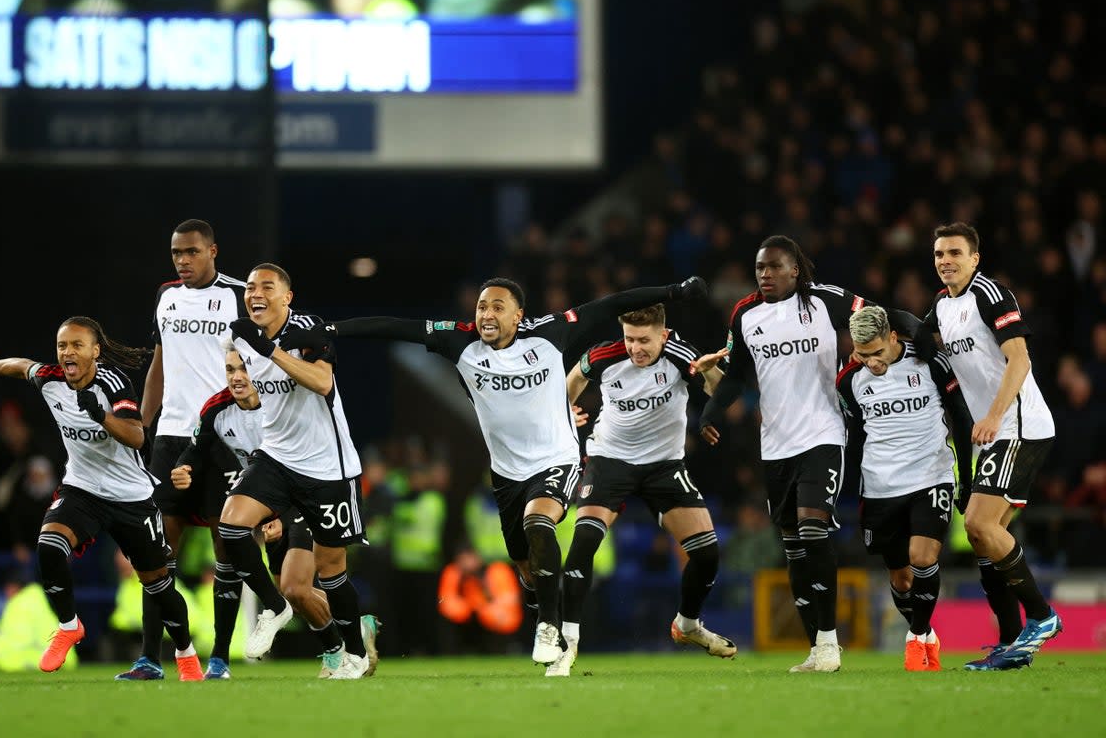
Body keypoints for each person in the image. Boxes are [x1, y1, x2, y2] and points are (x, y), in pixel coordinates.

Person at [298, 274, 708, 667]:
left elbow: (610, 305)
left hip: (556, 458)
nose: (486, 314)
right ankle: (540, 618)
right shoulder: (459, 341)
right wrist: (331, 330)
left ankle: (549, 626)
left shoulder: (550, 333)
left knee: (539, 522)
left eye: (498, 306)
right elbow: (394, 326)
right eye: (481, 306)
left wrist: (673, 291)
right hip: (507, 472)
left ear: (518, 315)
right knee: (526, 568)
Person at [697, 234, 916, 673]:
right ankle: (816, 646)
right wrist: (709, 413)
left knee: (814, 531)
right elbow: (738, 375)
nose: (765, 274)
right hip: (776, 445)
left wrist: (923, 337)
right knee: (793, 546)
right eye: (760, 267)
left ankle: (832, 643)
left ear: (795, 269)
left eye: (774, 267)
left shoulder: (825, 301)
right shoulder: (745, 314)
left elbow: (879, 317)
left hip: (824, 434)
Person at [0, 316, 203, 680]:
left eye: (77, 345)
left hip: (131, 496)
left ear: (95, 351)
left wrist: (101, 416)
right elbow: (23, 367)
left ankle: (186, 654)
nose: (68, 352)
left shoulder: (112, 383)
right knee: (49, 545)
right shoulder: (51, 379)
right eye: (62, 345)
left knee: (158, 585)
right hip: (83, 489)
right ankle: (68, 626)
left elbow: (137, 436)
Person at [554, 304, 736, 677]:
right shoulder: (603, 356)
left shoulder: (680, 355)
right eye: (630, 339)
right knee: (582, 544)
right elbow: (569, 385)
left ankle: (687, 624)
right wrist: (565, 411)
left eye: (644, 341)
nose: (636, 348)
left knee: (707, 555)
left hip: (664, 465)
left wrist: (711, 374)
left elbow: (724, 395)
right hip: (609, 461)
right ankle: (567, 644)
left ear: (664, 335)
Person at [176, 343, 378, 678]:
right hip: (271, 501)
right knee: (291, 591)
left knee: (295, 588)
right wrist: (184, 468)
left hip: (307, 496)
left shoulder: (282, 399)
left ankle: (337, 650)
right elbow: (195, 449)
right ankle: (353, 631)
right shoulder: (216, 410)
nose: (238, 377)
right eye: (230, 370)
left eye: (244, 369)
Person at [217, 263, 373, 680]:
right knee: (231, 527)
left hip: (328, 468)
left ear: (287, 297)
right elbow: (241, 374)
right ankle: (272, 606)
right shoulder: (241, 335)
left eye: (267, 287)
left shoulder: (308, 329)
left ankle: (355, 654)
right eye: (250, 287)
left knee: (330, 571)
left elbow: (322, 383)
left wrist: (270, 351)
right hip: (278, 459)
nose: (256, 294)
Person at [918, 222, 1060, 670]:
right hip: (992, 434)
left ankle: (1042, 616)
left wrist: (996, 415)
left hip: (1019, 424)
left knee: (980, 524)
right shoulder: (942, 306)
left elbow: (1019, 358)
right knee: (984, 540)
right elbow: (916, 341)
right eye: (940, 254)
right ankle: (1011, 641)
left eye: (955, 253)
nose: (946, 261)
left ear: (974, 258)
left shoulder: (989, 293)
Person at [121, 218, 246, 681]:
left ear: (213, 251)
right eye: (176, 253)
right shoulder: (165, 296)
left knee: (226, 548)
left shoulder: (239, 296)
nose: (183, 261)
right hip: (171, 437)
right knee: (155, 550)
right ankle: (151, 657)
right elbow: (159, 360)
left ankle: (221, 659)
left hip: (222, 437)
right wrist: (143, 423)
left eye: (191, 252)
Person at [837, 305, 974, 671]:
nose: (872, 363)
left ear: (894, 337)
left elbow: (960, 415)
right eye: (862, 355)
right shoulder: (849, 379)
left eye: (878, 353)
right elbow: (855, 435)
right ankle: (927, 635)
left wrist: (967, 477)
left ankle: (914, 637)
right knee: (900, 577)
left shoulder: (929, 363)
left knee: (924, 557)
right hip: (881, 486)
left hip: (931, 475)